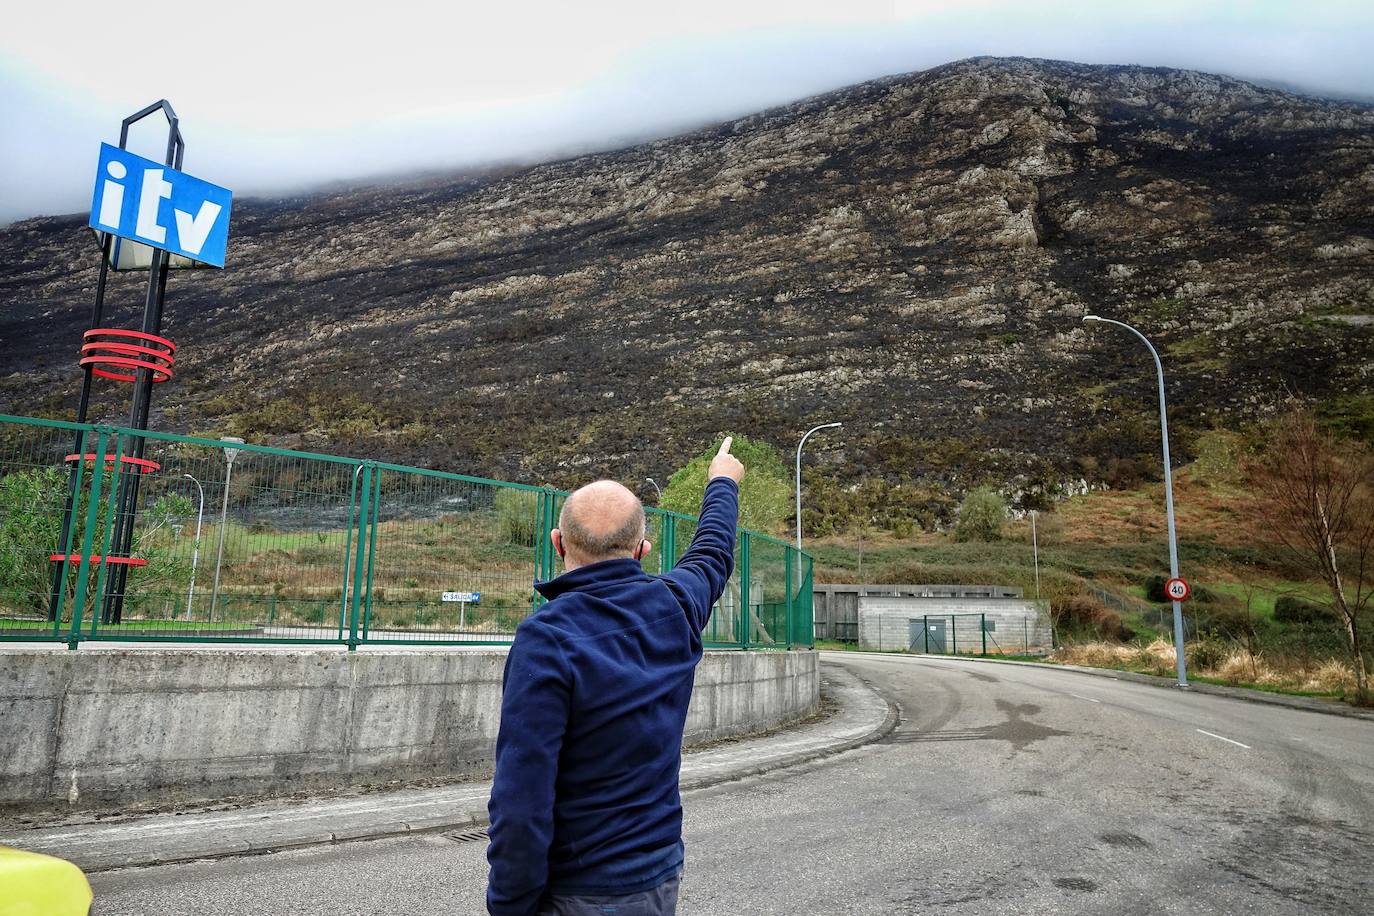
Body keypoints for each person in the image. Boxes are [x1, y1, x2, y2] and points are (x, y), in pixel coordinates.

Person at [486, 438, 746, 916]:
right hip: (660, 872)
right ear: (642, 550)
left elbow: (521, 800)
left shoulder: (546, 638)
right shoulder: (674, 606)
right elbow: (712, 552)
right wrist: (722, 482)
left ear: (557, 542)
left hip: (576, 890)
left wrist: (509, 905)